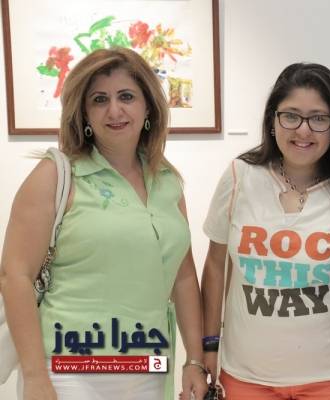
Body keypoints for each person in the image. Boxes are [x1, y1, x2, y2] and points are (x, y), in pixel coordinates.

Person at [0, 47, 207, 400]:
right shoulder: (55, 175)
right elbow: (14, 276)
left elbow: (183, 276)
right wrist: (35, 377)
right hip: (68, 371)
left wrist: (195, 360)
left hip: (148, 368)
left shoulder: (166, 180)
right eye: (99, 99)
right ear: (83, 113)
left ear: (148, 107)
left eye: (126, 96)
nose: (114, 110)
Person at [201, 63, 330, 400]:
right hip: (247, 378)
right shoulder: (240, 177)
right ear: (272, 120)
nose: (303, 131)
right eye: (291, 116)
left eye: (318, 118)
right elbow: (216, 266)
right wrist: (209, 346)